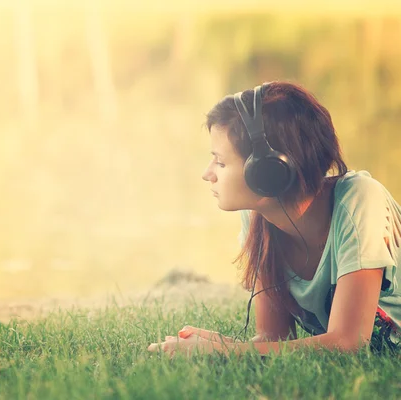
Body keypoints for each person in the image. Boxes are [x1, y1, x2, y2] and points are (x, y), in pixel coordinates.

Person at [148, 81, 401, 357]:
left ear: (268, 171)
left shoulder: (359, 201)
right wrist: (222, 346)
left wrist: (223, 352)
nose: (207, 173)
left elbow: (348, 343)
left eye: (220, 162)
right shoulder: (257, 217)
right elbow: (276, 338)